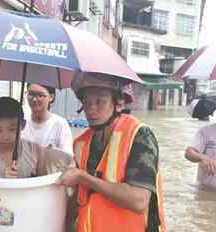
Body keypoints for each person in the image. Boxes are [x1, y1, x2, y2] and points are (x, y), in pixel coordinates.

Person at [56, 73, 166, 232]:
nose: (91, 109)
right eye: (86, 102)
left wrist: (83, 177)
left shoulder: (139, 136)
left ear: (119, 103)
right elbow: (79, 197)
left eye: (99, 101)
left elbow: (138, 201)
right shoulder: (81, 143)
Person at [0, 96, 47, 178]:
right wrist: (5, 181)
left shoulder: (36, 151)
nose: (5, 137)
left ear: (23, 125)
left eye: (12, 129)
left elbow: (43, 183)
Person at [22, 84, 73, 154]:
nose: (34, 99)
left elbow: (67, 157)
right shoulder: (21, 122)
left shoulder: (60, 124)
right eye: (30, 94)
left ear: (51, 97)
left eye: (40, 95)